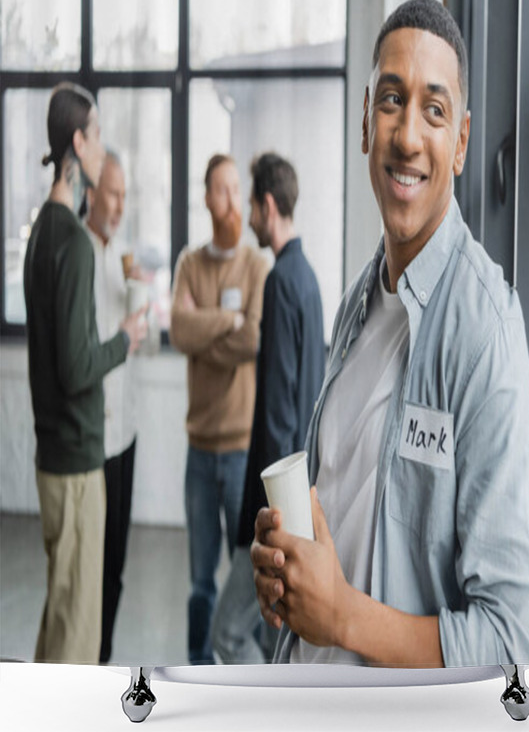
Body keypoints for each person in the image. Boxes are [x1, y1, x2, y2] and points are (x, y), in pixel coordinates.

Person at [251, 0, 529, 667]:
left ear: (462, 142)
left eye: (434, 110)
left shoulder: (485, 332)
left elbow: (514, 646)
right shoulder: (359, 300)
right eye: (391, 100)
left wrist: (343, 617)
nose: (408, 135)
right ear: (365, 122)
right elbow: (345, 522)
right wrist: (288, 571)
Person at [23, 83, 146, 664]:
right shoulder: (70, 240)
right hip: (76, 467)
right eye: (96, 136)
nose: (101, 147)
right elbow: (76, 368)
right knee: (76, 640)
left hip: (53, 460)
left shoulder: (41, 229)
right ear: (78, 141)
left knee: (60, 615)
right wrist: (125, 339)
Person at [210, 153, 325, 664]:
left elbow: (278, 413)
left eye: (254, 206)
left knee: (228, 634)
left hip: (272, 505)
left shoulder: (280, 281)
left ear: (267, 205)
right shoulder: (308, 278)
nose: (250, 217)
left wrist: (267, 520)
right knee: (269, 635)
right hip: (297, 494)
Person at [169, 154, 268, 665]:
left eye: (236, 190)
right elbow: (178, 331)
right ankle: (196, 674)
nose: (229, 201)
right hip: (198, 450)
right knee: (200, 581)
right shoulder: (189, 262)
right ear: (207, 197)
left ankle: (262, 683)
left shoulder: (256, 264)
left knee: (252, 576)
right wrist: (224, 322)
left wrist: (208, 330)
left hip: (239, 453)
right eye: (220, 190)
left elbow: (252, 337)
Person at [83, 151, 140, 664]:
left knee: (116, 563)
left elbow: (133, 340)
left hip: (126, 432)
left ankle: (103, 656)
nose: (121, 205)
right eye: (114, 193)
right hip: (91, 441)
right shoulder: (79, 254)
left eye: (125, 194)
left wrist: (140, 304)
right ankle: (87, 662)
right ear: (91, 193)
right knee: (90, 567)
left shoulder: (121, 253)